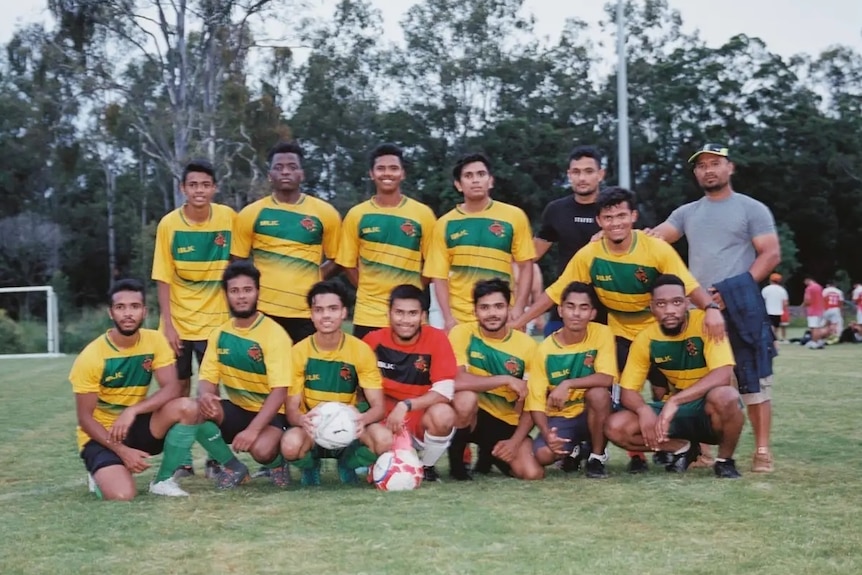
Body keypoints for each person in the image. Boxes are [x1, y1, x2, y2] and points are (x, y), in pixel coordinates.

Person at [513, 186, 725, 473]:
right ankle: (635, 454)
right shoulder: (590, 254)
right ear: (599, 221)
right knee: (624, 395)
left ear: (633, 216)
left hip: (660, 331)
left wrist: (711, 309)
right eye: (609, 217)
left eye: (622, 215)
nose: (616, 223)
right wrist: (520, 320)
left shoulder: (656, 248)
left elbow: (688, 285)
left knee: (665, 391)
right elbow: (555, 292)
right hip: (621, 332)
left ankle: (684, 445)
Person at [649, 143, 780, 473]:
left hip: (741, 309)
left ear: (730, 168)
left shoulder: (751, 209)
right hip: (699, 310)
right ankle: (703, 450)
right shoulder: (687, 212)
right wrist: (612, 234)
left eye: (715, 163)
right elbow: (655, 238)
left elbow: (770, 254)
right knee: (701, 380)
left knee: (754, 384)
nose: (709, 169)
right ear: (695, 173)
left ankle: (762, 449)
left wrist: (733, 290)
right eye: (702, 165)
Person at [69, 279, 201, 500]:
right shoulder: (92, 356)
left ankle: (163, 480)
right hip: (102, 435)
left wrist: (132, 411)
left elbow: (172, 388)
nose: (128, 313)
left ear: (144, 311)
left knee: (187, 406)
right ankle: (101, 471)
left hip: (134, 425)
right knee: (123, 495)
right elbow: (85, 419)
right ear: (111, 313)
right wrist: (122, 451)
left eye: (134, 307)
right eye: (121, 307)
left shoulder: (155, 341)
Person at [604, 274, 744, 478]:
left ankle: (725, 461)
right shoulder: (646, 338)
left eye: (676, 302)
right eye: (661, 304)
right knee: (615, 427)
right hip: (676, 413)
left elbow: (723, 374)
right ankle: (682, 448)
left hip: (707, 407)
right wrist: (643, 410)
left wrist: (676, 401)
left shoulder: (706, 324)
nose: (669, 310)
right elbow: (628, 390)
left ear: (687, 303)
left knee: (726, 396)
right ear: (652, 308)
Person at [151, 159, 235, 478]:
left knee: (211, 394)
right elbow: (163, 277)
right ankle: (182, 457)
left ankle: (216, 457)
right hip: (179, 325)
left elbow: (239, 264)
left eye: (205, 184)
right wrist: (169, 325)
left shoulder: (228, 218)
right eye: (193, 185)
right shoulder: (169, 224)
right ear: (182, 189)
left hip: (216, 324)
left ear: (214, 188)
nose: (199, 190)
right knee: (177, 392)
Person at [280, 280, 392, 486]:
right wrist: (302, 420)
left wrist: (363, 419)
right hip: (312, 429)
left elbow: (379, 407)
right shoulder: (298, 352)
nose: (326, 315)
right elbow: (292, 410)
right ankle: (310, 464)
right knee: (290, 446)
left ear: (343, 312)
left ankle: (348, 463)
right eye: (319, 310)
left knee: (384, 440)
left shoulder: (361, 350)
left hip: (350, 427)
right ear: (311, 315)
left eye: (333, 309)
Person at [194, 260, 293, 489]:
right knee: (193, 410)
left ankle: (277, 464)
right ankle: (232, 466)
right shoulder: (219, 334)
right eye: (234, 291)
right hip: (238, 408)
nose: (241, 297)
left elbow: (280, 392)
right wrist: (206, 396)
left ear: (257, 292)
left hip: (271, 413)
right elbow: (207, 378)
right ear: (226, 294)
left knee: (262, 450)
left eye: (247, 290)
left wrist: (253, 431)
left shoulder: (274, 334)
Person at [231, 140, 341, 344]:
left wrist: (314, 277)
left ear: (302, 174)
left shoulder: (325, 213)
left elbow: (338, 260)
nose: (285, 172)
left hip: (308, 311)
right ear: (269, 175)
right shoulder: (251, 214)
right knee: (266, 375)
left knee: (304, 374)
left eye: (292, 167)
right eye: (278, 167)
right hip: (263, 311)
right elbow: (237, 262)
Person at [424, 152, 536, 332]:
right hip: (461, 319)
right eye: (468, 176)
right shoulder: (444, 224)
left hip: (502, 315)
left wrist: (518, 308)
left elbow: (526, 266)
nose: (475, 180)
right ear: (458, 185)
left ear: (490, 181)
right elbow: (439, 277)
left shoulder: (514, 216)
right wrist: (448, 318)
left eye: (481, 174)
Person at [336, 143, 437, 339]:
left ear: (403, 173)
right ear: (372, 174)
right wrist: (368, 288)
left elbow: (433, 264)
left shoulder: (423, 214)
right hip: (369, 315)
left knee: (412, 370)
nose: (387, 173)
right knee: (367, 369)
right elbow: (346, 263)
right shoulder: (357, 214)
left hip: (410, 316)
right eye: (381, 168)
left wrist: (413, 291)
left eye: (393, 168)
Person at [447, 279, 544, 481]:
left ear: (508, 309)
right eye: (484, 307)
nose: (492, 313)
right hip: (471, 416)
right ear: (475, 311)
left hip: (504, 422)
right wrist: (505, 379)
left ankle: (488, 456)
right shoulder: (461, 333)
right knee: (465, 398)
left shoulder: (527, 346)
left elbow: (534, 402)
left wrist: (515, 442)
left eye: (499, 306)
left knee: (532, 473)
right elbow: (456, 381)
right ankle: (457, 467)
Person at [363, 285, 458, 482]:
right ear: (389, 313)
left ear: (423, 315)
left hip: (419, 415)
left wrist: (406, 405)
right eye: (399, 313)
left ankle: (426, 467)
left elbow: (444, 390)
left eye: (412, 313)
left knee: (444, 414)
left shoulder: (437, 338)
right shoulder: (373, 341)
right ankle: (372, 459)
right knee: (382, 442)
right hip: (384, 416)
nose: (405, 320)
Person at [526, 282, 617, 479]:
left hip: (590, 411)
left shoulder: (602, 333)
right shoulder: (544, 349)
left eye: (583, 307)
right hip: (560, 416)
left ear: (592, 313)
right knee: (543, 454)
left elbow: (607, 377)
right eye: (570, 306)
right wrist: (546, 433)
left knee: (599, 393)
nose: (576, 313)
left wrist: (567, 384)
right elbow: (535, 401)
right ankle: (575, 449)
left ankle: (596, 457)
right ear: (560, 310)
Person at [533, 145, 604, 335]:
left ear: (601, 174)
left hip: (608, 307)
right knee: (554, 361)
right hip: (565, 303)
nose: (582, 178)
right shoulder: (556, 210)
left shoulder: (614, 210)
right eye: (576, 172)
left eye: (589, 171)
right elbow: (529, 257)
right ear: (569, 175)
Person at [761, 273, 789, 342]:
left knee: (770, 326)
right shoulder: (782, 290)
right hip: (778, 311)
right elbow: (785, 303)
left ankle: (771, 339)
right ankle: (773, 339)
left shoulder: (766, 289)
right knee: (776, 326)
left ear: (770, 280)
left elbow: (762, 301)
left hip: (768, 311)